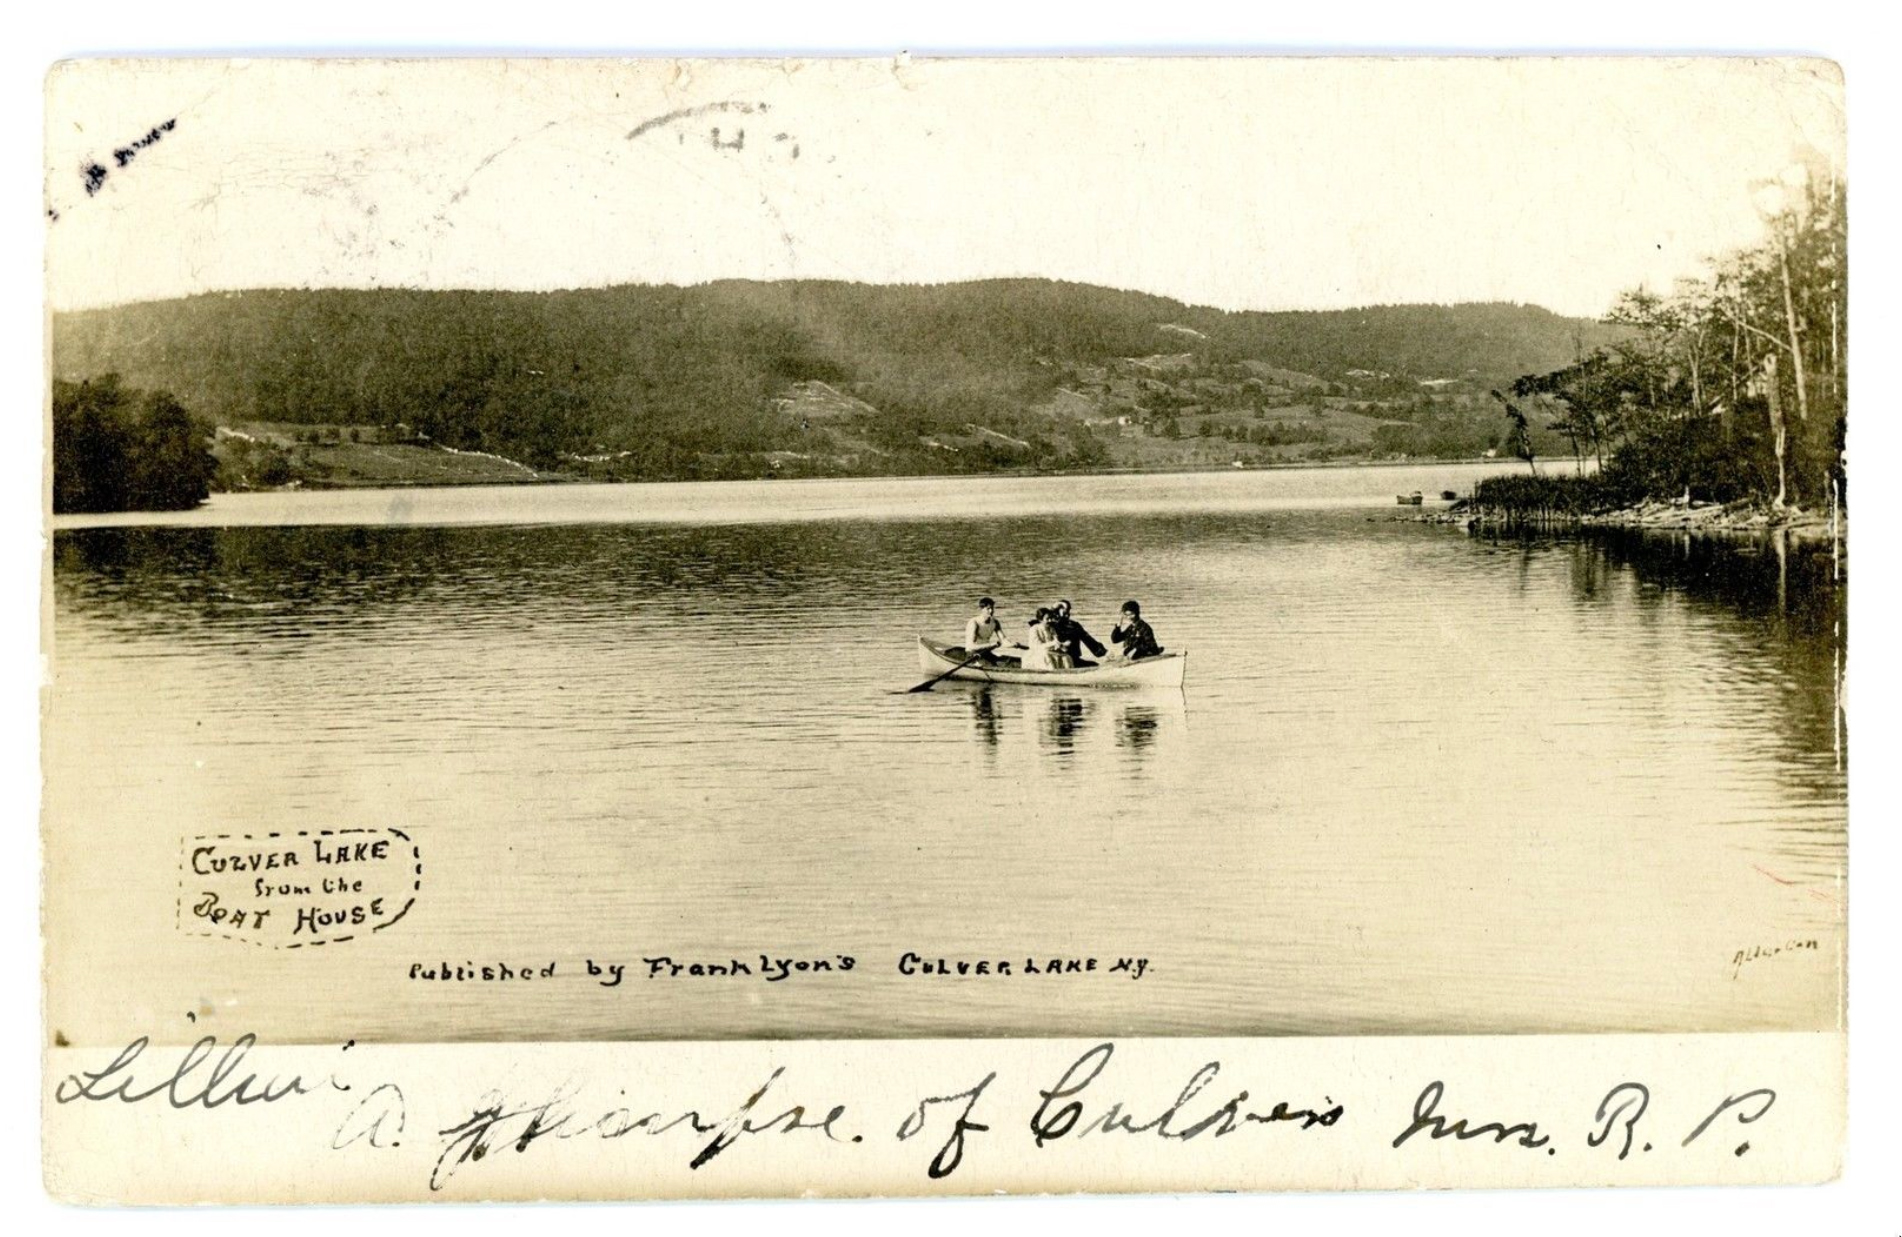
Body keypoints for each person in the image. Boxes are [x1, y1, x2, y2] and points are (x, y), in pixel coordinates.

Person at [1049, 599, 1107, 667]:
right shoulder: (1049, 625)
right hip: (1055, 658)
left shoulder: (1074, 625)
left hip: (1073, 658)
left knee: (1094, 665)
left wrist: (1103, 652)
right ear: (1056, 612)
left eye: (1068, 611)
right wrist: (1053, 608)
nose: (1067, 615)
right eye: (1065, 612)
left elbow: (1088, 640)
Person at [963, 597, 1015, 664]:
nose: (991, 611)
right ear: (982, 609)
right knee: (991, 665)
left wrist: (1013, 644)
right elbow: (971, 646)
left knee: (1009, 662)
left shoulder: (995, 622)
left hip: (986, 652)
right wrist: (991, 644)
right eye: (988, 609)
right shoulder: (974, 623)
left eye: (992, 608)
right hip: (972, 654)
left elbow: (1003, 640)